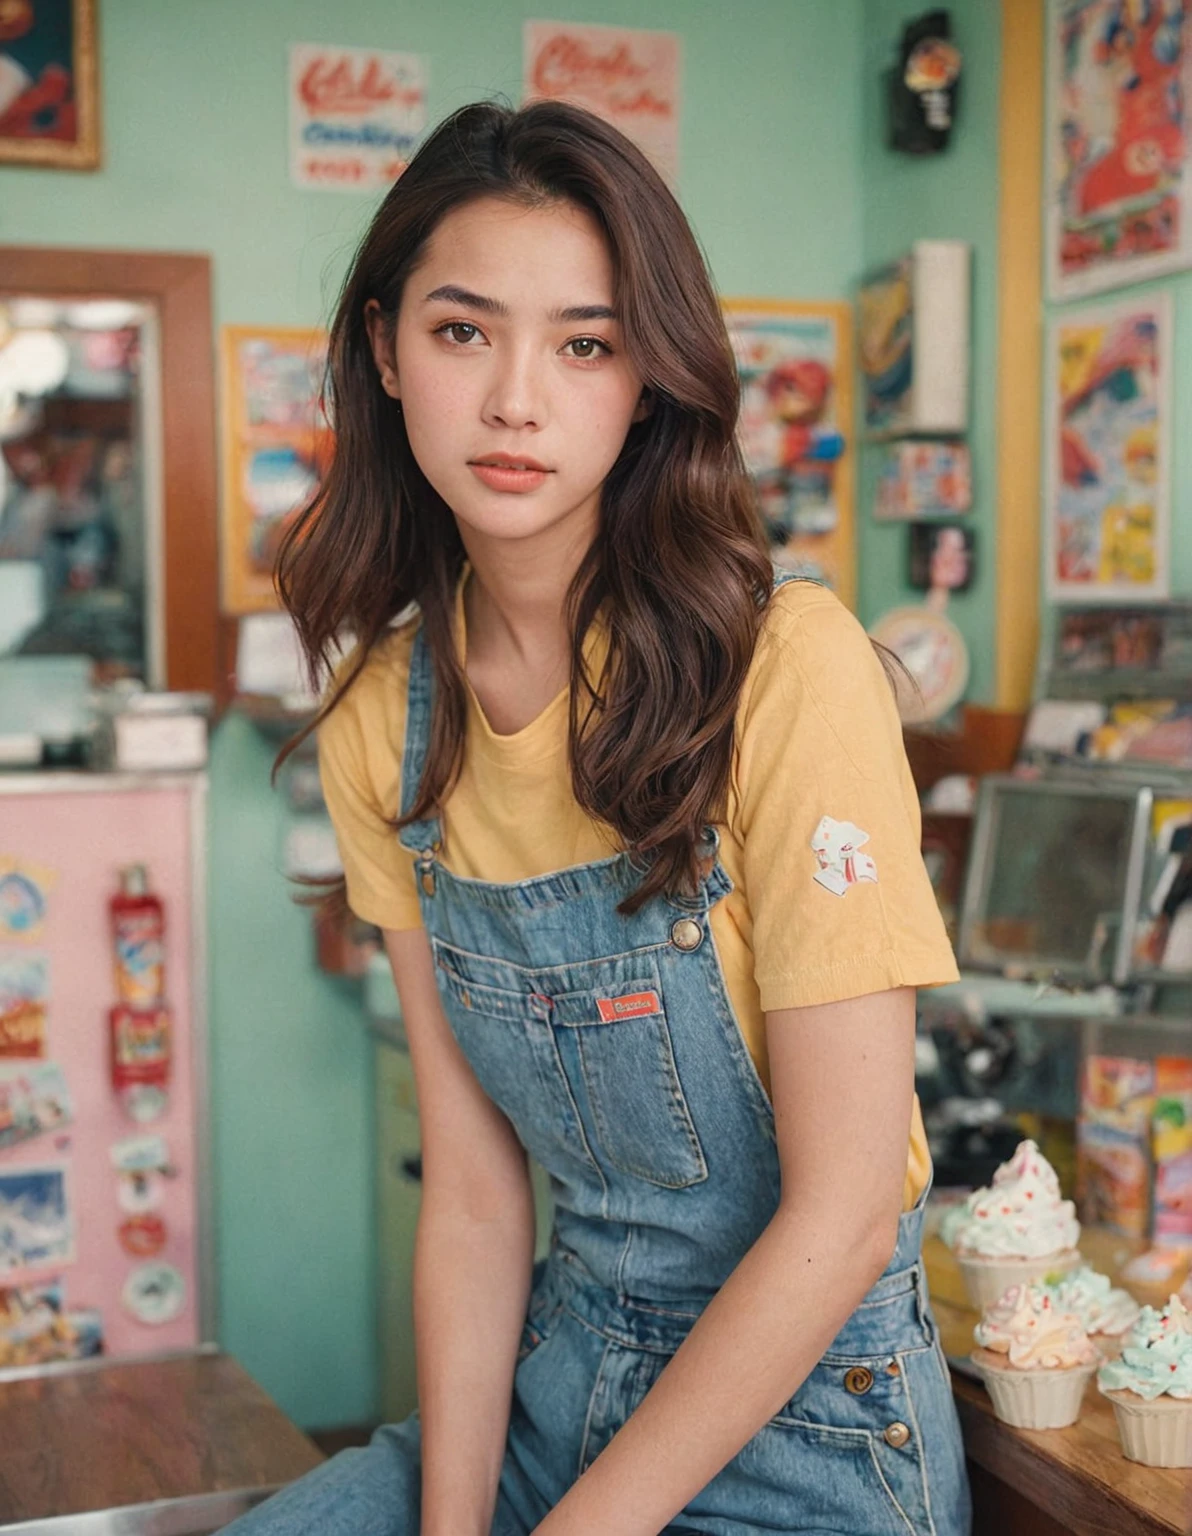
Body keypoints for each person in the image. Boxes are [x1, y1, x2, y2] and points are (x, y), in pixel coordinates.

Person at [225, 99, 971, 1536]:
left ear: (649, 380)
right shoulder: (390, 710)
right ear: (384, 350)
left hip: (812, 1434)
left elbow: (843, 1215)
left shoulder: (786, 668)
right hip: (547, 1388)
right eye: (462, 332)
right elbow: (478, 1197)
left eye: (585, 342)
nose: (518, 399)